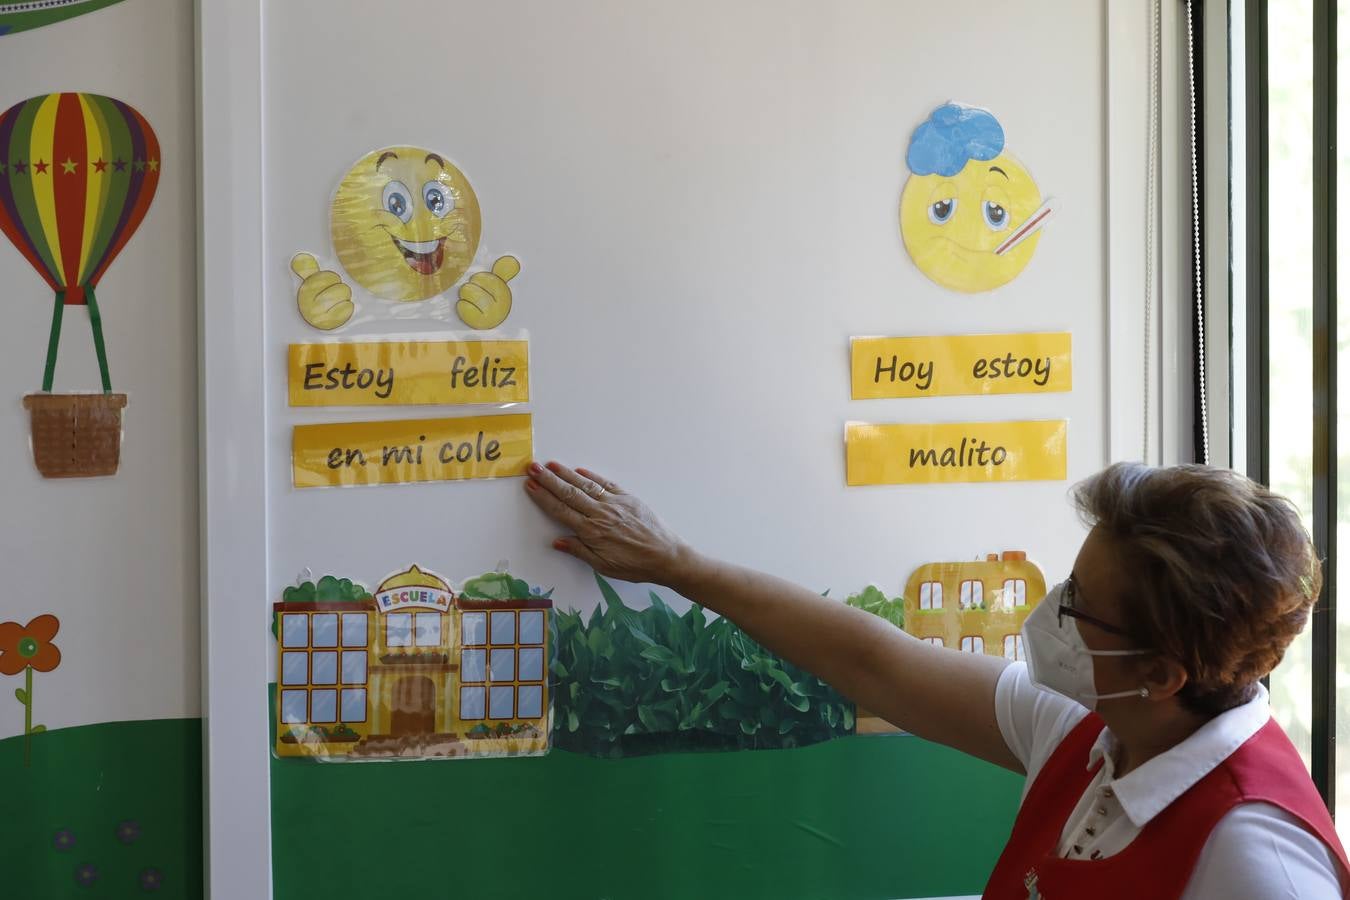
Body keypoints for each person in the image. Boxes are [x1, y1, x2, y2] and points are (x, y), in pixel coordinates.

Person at [523, 459, 1350, 899]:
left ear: (1164, 672)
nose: (1051, 614)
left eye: (1081, 609)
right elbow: (873, 661)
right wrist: (678, 565)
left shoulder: (1254, 861)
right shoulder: (1095, 737)